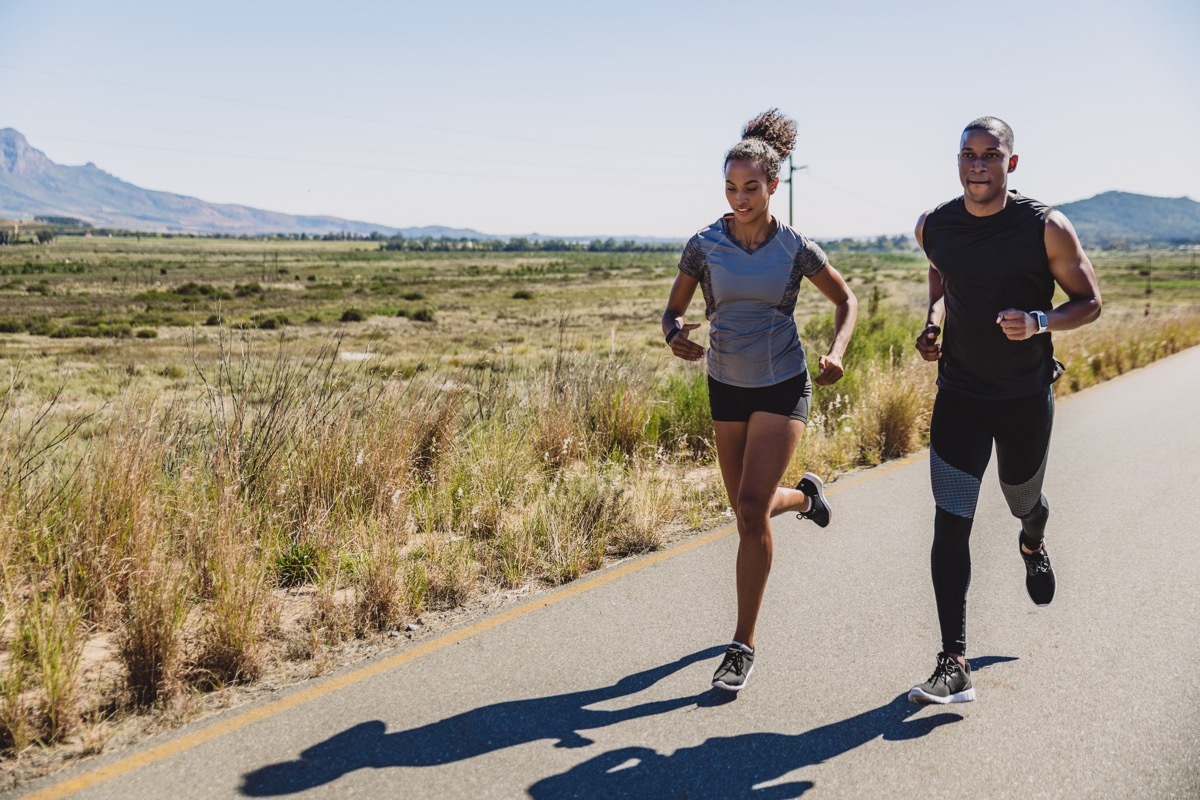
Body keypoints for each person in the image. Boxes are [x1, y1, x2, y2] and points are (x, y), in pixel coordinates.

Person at [662, 109, 857, 692]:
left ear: (775, 186)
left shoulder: (796, 248)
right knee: (747, 508)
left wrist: (838, 352)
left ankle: (742, 644)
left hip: (780, 382)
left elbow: (846, 302)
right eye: (731, 187)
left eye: (751, 187)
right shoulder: (704, 246)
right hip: (725, 382)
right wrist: (675, 336)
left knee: (749, 512)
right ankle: (804, 498)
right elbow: (671, 311)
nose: (740, 197)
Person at [907, 117, 1102, 704]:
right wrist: (933, 322)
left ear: (1011, 164)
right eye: (969, 154)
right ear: (958, 161)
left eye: (991, 155)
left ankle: (1032, 542)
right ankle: (953, 660)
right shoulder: (933, 226)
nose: (978, 165)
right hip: (960, 395)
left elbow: (1090, 302)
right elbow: (942, 274)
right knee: (951, 522)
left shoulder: (1046, 227)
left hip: (1023, 397)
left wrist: (1041, 321)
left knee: (1024, 501)